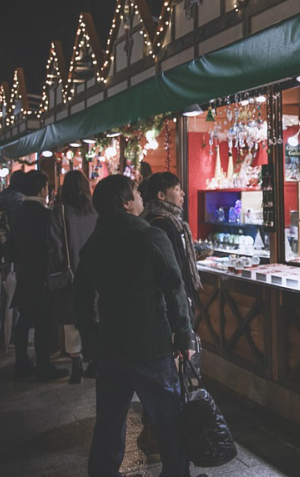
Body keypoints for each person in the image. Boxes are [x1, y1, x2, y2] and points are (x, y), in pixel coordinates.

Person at [74, 175, 198, 477]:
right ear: (127, 203)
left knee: (109, 420)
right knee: (168, 420)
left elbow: (81, 296)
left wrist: (90, 334)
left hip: (111, 345)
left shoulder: (94, 243)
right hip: (151, 345)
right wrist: (184, 335)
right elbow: (175, 287)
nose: (142, 198)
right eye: (136, 194)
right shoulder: (150, 235)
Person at [9, 170, 69, 381]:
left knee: (24, 318)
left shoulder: (17, 213)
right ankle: (43, 365)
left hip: (25, 272)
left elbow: (11, 247)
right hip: (43, 272)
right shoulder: (46, 215)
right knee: (43, 320)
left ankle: (21, 362)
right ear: (43, 189)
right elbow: (53, 246)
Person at [47, 170, 98, 384]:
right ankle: (94, 361)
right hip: (95, 273)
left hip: (71, 274)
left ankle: (76, 365)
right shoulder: (96, 209)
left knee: (71, 321)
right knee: (94, 317)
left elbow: (55, 245)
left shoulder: (59, 210)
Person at [143, 172, 201, 314]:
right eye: (176, 189)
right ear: (161, 196)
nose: (182, 193)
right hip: (170, 303)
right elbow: (174, 268)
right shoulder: (162, 224)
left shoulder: (167, 221)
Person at [0, 170, 27, 346]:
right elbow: (19, 229)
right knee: (11, 298)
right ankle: (8, 338)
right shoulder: (18, 200)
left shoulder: (3, 196)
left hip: (4, 252)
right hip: (11, 254)